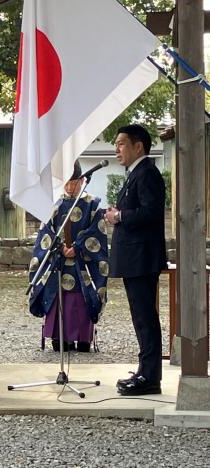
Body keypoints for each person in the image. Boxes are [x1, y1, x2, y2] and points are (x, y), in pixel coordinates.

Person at [105, 125, 166, 396]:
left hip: (142, 256)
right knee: (140, 317)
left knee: (145, 318)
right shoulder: (135, 174)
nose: (116, 149)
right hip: (134, 256)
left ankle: (150, 377)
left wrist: (119, 217)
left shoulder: (147, 173)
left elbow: (151, 212)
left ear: (138, 146)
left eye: (121, 144)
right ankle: (144, 371)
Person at [28, 163, 108, 352]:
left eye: (75, 183)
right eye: (67, 183)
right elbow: (46, 232)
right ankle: (59, 337)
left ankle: (83, 338)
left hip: (83, 262)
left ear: (82, 181)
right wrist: (60, 247)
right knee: (58, 297)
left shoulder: (92, 204)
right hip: (58, 259)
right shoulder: (53, 205)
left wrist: (79, 246)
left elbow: (96, 232)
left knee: (81, 298)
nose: (71, 187)